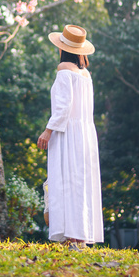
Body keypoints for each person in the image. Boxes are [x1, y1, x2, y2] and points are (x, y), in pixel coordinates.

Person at [37, 24, 103, 249]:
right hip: (85, 133)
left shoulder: (64, 68)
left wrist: (48, 130)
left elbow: (64, 105)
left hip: (67, 132)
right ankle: (80, 236)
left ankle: (71, 236)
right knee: (81, 183)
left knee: (66, 180)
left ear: (63, 48)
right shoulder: (86, 74)